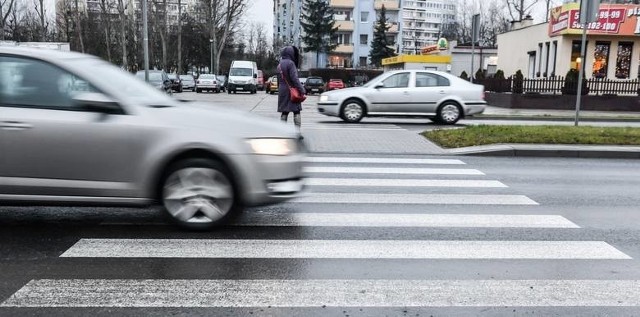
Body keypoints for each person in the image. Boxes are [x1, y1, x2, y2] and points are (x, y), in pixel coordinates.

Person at [277, 46, 306, 137]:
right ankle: (297, 133)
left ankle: (282, 132)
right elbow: (295, 79)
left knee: (284, 112)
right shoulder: (291, 63)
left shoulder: (279, 64)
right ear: (291, 54)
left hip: (282, 91)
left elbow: (279, 79)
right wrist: (302, 89)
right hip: (292, 91)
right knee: (296, 111)